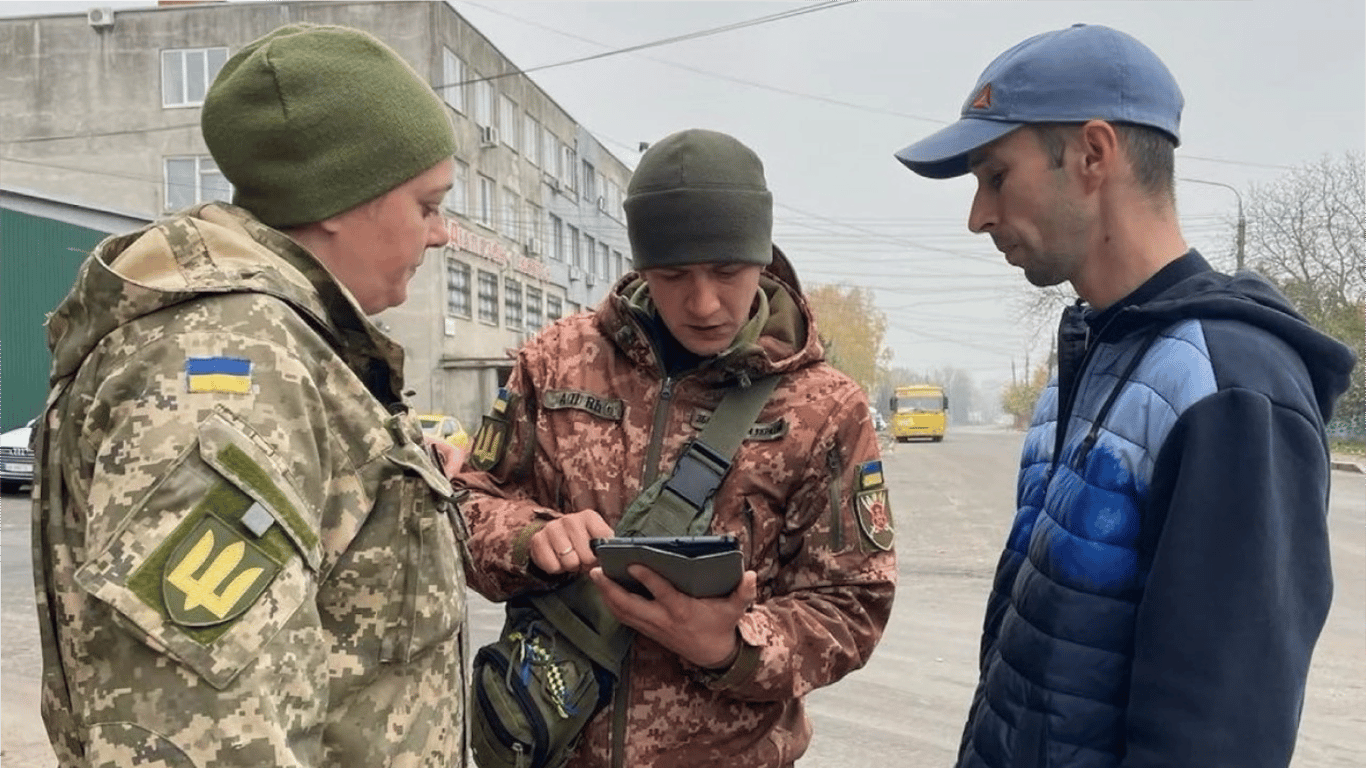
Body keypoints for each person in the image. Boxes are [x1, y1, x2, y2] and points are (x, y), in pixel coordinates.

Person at [894, 23, 1356, 768]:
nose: (977, 215)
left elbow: (1215, 740)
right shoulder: (1095, 355)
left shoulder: (1231, 390)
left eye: (995, 176)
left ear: (1093, 154)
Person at [31, 23, 471, 767]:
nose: (442, 236)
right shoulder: (230, 364)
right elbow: (206, 731)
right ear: (340, 199)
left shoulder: (290, 347)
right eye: (427, 206)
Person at [455, 128, 897, 767]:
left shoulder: (823, 407)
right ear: (640, 265)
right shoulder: (554, 364)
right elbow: (467, 502)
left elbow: (854, 601)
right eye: (672, 274)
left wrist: (733, 646)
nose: (704, 301)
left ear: (762, 258)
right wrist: (528, 537)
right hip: (553, 745)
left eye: (727, 270)